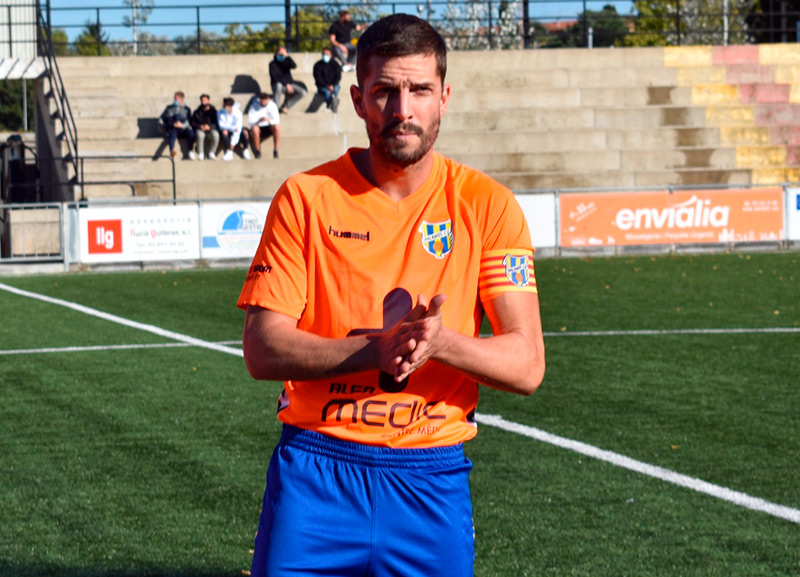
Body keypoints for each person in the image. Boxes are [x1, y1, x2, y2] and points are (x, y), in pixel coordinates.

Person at [238, 13, 545, 577]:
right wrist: (375, 352)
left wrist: (441, 343)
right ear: (358, 100)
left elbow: (526, 365)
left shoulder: (488, 205)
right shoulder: (306, 198)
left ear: (444, 97)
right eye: (385, 91)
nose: (403, 110)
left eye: (420, 90)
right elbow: (262, 348)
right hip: (316, 471)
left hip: (430, 481)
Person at [268, 46, 307, 113]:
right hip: (278, 85)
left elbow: (294, 66)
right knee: (279, 85)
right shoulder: (272, 64)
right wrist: (286, 84)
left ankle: (285, 106)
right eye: (280, 53)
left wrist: (287, 56)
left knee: (302, 92)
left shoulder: (286, 61)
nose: (281, 55)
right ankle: (275, 110)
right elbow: (275, 77)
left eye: (282, 54)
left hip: (289, 84)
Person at [159, 91, 196, 160]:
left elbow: (189, 120)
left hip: (183, 128)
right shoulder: (169, 108)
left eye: (177, 98)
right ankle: (172, 151)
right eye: (175, 98)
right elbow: (162, 118)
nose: (175, 100)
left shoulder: (186, 109)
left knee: (191, 134)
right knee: (172, 135)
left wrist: (182, 125)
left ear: (181, 99)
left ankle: (190, 151)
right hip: (173, 128)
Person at [246, 92, 281, 159]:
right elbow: (250, 121)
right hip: (259, 126)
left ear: (268, 99)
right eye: (261, 100)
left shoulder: (273, 105)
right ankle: (257, 151)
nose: (263, 102)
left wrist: (268, 120)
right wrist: (259, 121)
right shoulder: (254, 106)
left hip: (270, 126)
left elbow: (277, 120)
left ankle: (275, 150)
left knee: (277, 127)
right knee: (255, 129)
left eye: (264, 100)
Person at [309, 46, 342, 113]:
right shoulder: (317, 65)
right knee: (327, 93)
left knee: (335, 89)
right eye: (324, 54)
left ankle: (331, 104)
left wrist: (332, 85)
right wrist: (327, 86)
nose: (325, 56)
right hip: (322, 86)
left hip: (334, 85)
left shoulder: (335, 64)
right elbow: (318, 78)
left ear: (330, 55)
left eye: (327, 54)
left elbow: (338, 76)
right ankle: (333, 104)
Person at [190, 94, 220, 160]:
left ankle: (212, 153)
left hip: (210, 129)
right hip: (200, 129)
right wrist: (200, 126)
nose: (204, 102)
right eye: (202, 100)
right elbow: (193, 123)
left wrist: (210, 127)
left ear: (209, 101)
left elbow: (217, 123)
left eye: (205, 100)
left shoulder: (214, 112)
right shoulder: (197, 112)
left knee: (216, 135)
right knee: (200, 135)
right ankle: (201, 153)